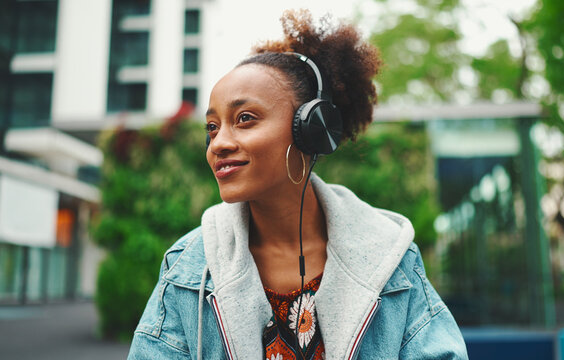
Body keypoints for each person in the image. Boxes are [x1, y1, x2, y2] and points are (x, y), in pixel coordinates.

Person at [128, 9, 468, 360]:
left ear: (310, 129)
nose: (218, 143)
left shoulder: (391, 258)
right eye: (212, 127)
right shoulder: (188, 266)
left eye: (244, 119)